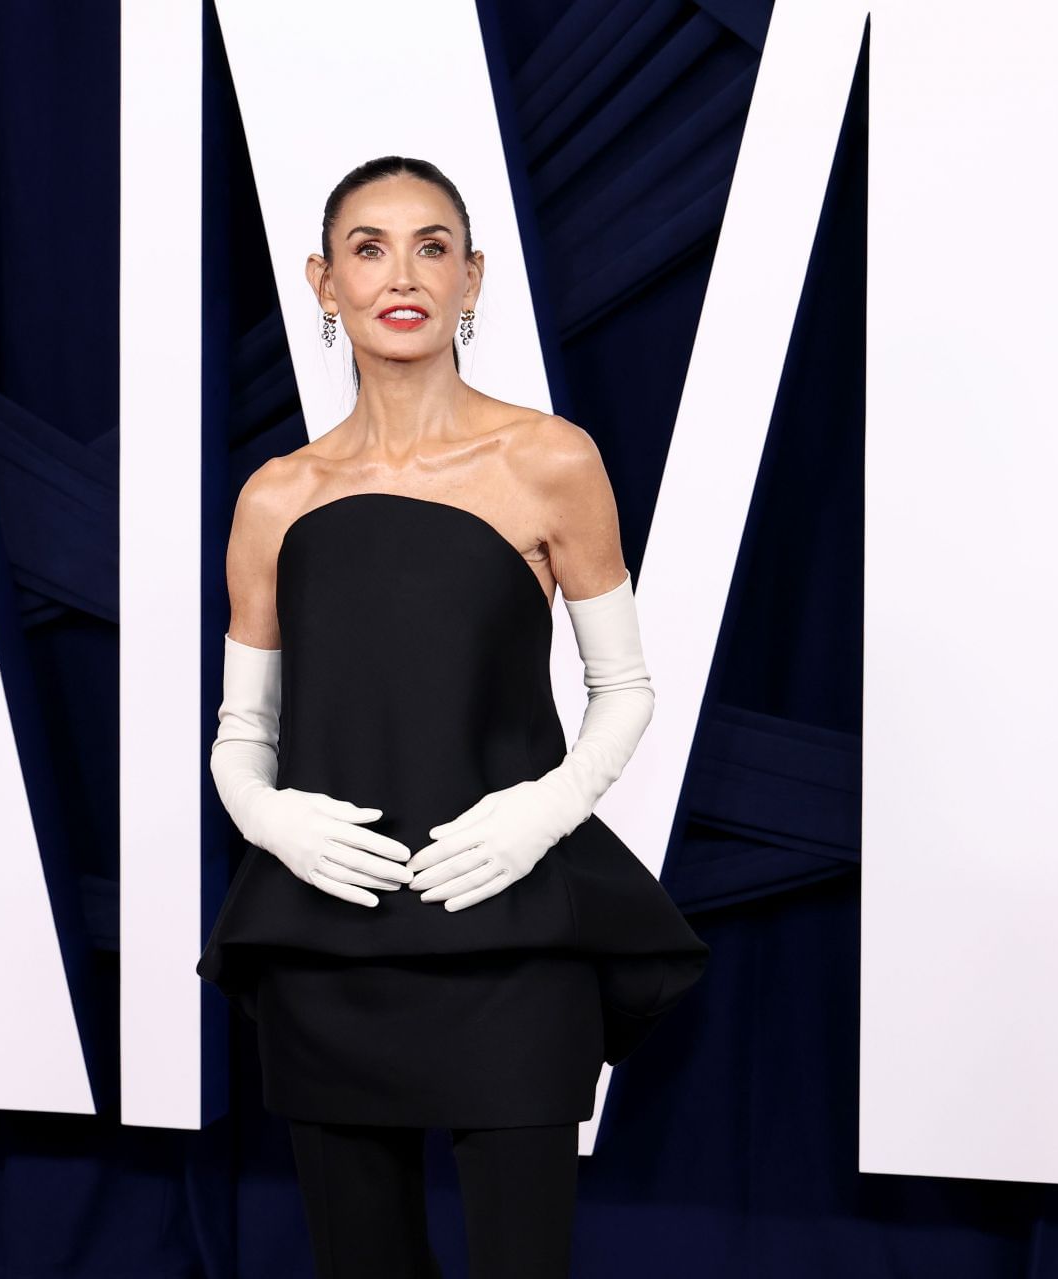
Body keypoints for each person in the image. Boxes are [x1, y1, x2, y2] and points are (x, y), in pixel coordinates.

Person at [195, 155, 709, 1278]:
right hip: (333, 942)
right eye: (368, 248)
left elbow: (624, 688)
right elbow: (242, 734)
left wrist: (544, 810)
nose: (402, 273)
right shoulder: (277, 497)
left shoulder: (549, 460)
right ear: (322, 282)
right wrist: (270, 820)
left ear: (472, 278)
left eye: (432, 245)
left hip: (511, 931)